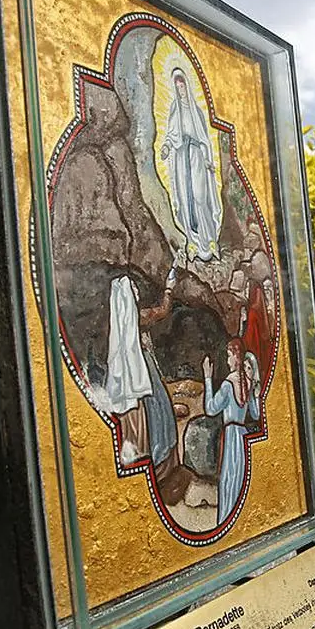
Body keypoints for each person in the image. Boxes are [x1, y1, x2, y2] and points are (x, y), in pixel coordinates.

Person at [103, 267, 177, 469]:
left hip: (140, 370)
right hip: (145, 369)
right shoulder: (136, 317)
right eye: (133, 289)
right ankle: (161, 457)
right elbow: (162, 310)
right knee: (159, 408)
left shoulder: (121, 324)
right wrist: (169, 289)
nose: (137, 291)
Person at [160, 68, 221, 262]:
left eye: (183, 86)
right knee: (186, 201)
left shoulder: (197, 113)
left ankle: (209, 239)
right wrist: (167, 147)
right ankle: (193, 242)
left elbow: (204, 140)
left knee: (200, 197)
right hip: (181, 159)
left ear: (187, 85)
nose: (181, 90)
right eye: (177, 87)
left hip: (195, 157)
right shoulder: (174, 110)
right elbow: (171, 134)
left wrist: (206, 159)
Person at [202, 340, 260, 525]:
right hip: (242, 435)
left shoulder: (228, 384)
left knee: (228, 481)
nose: (227, 361)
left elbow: (210, 409)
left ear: (236, 356)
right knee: (240, 479)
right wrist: (256, 394)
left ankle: (226, 520)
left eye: (228, 356)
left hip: (231, 437)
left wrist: (208, 379)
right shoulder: (248, 383)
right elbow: (256, 413)